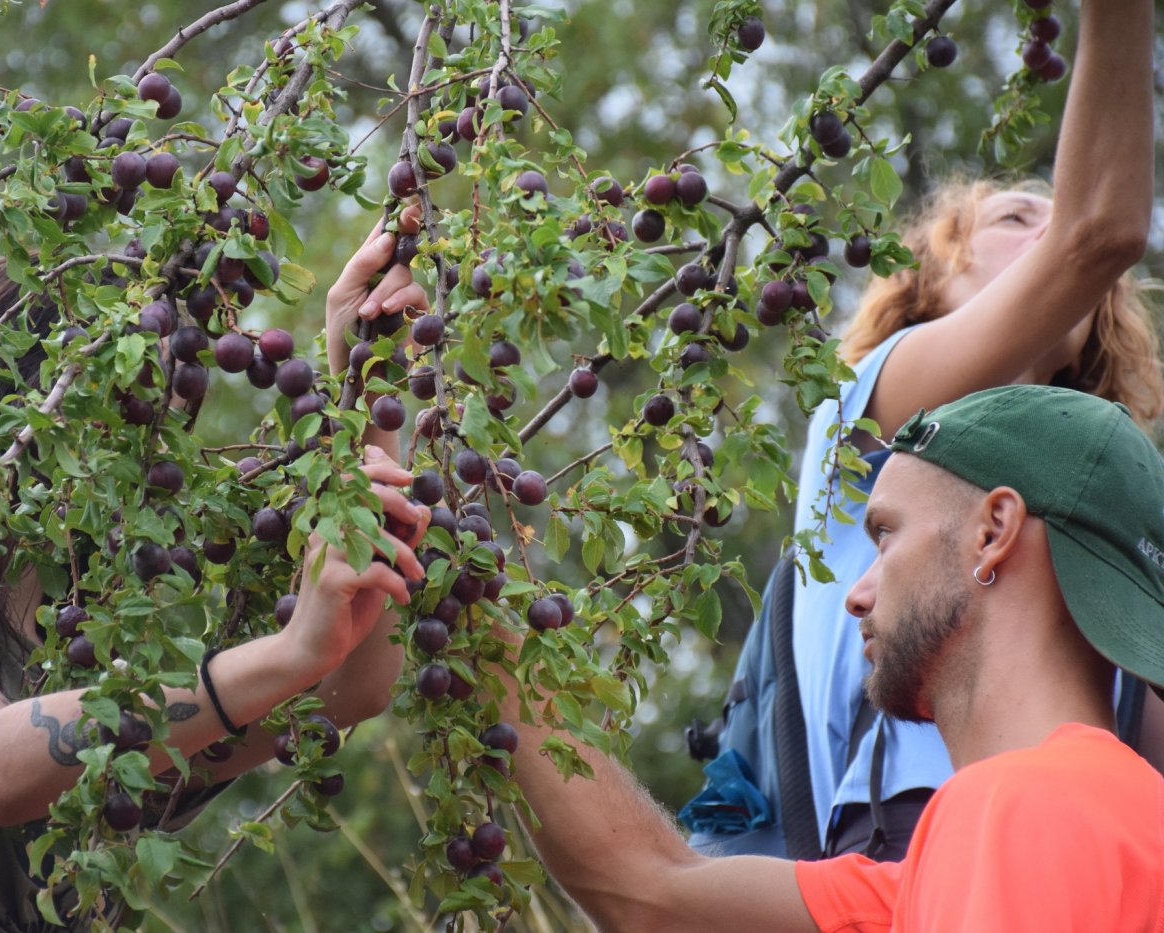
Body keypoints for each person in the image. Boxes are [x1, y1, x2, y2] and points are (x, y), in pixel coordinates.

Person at [0, 219, 429, 932]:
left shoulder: (107, 646)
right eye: (131, 415)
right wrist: (289, 650)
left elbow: (349, 687)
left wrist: (367, 393)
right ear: (15, 397)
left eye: (171, 425)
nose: (153, 461)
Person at [498, 384, 1164, 931]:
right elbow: (649, 892)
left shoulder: (1025, 809)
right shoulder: (1050, 828)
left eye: (885, 534)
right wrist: (484, 635)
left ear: (993, 533)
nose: (856, 594)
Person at [748, 0, 1160, 860]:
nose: (1048, 227)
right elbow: (1100, 231)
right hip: (898, 847)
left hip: (1077, 848)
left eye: (1052, 217)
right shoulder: (866, 415)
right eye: (1016, 218)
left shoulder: (1107, 497)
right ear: (928, 284)